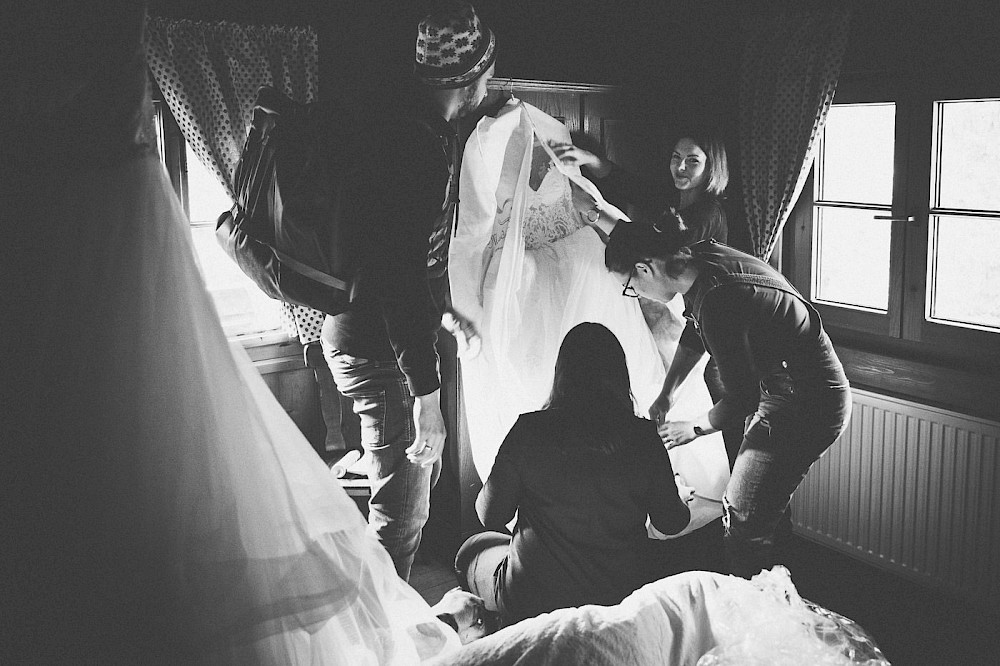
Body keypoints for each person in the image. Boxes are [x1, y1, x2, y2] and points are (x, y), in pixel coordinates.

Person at [320, 0, 494, 581]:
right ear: (471, 78)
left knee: (410, 477)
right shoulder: (417, 144)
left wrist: (444, 313)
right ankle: (381, 637)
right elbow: (394, 276)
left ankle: (372, 613)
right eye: (486, 71)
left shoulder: (394, 127)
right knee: (403, 510)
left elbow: (394, 257)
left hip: (355, 332)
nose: (489, 82)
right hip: (376, 345)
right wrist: (427, 398)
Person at [598, 215, 851, 578]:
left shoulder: (719, 297)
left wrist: (694, 428)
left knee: (743, 514)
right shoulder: (699, 260)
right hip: (788, 388)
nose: (635, 295)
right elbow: (694, 330)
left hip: (806, 400)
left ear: (645, 268)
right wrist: (667, 394)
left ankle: (757, 605)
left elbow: (741, 398)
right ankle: (776, 586)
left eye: (630, 286)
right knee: (762, 505)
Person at [453, 323, 692, 625]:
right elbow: (671, 523)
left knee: (471, 549)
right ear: (620, 376)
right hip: (618, 598)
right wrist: (676, 495)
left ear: (561, 374)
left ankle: (495, 628)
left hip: (535, 599)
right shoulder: (644, 436)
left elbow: (489, 515)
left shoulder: (529, 430)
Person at [555, 132, 742, 465]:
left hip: (716, 337)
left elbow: (655, 241)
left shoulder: (708, 213)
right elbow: (634, 187)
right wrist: (592, 161)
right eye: (675, 157)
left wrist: (597, 214)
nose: (680, 168)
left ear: (712, 168)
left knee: (721, 421)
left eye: (692, 160)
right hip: (692, 319)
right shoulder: (676, 197)